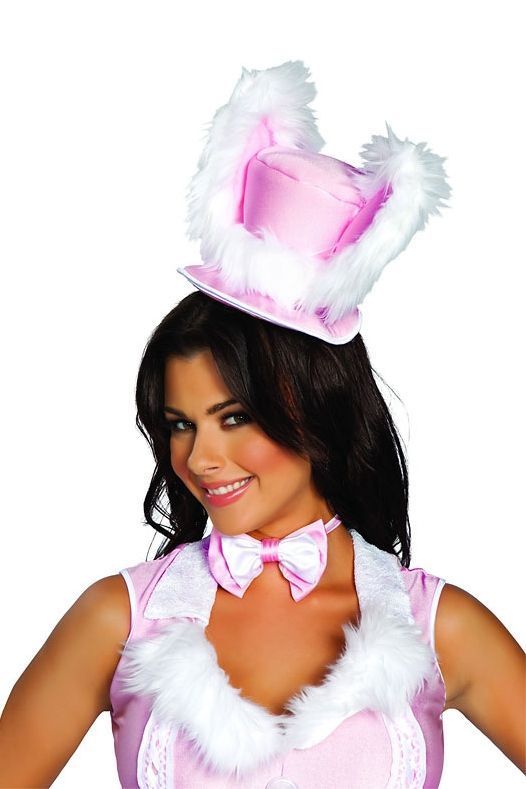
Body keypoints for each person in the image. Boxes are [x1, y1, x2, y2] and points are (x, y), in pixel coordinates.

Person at [0, 61, 524, 788]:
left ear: (315, 407)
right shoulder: (117, 620)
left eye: (235, 417)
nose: (199, 458)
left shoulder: (437, 626)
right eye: (180, 424)